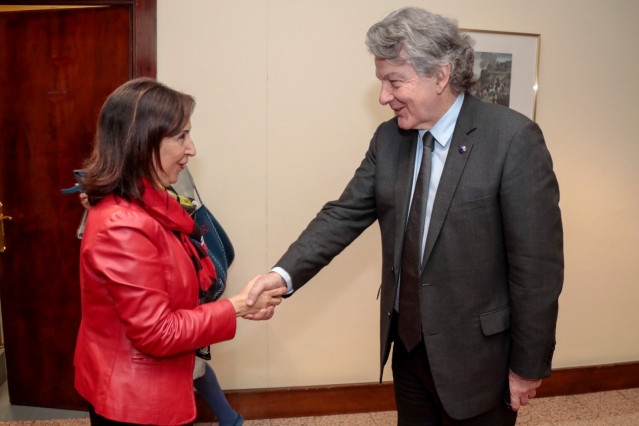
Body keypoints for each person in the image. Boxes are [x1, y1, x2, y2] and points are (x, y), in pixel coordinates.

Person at [245, 7, 563, 425]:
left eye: (395, 81)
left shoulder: (512, 139)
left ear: (440, 75)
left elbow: (537, 267)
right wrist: (281, 276)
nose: (384, 96)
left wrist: (527, 365)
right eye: (382, 81)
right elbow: (342, 215)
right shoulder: (389, 138)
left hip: (477, 358)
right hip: (407, 347)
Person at [73, 77, 285, 426]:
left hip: (154, 384)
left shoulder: (152, 203)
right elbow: (157, 332)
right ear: (142, 141)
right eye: (181, 137)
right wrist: (238, 305)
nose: (192, 148)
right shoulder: (123, 224)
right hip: (135, 402)